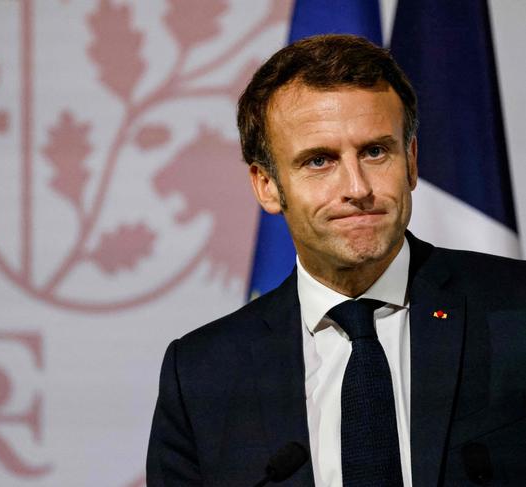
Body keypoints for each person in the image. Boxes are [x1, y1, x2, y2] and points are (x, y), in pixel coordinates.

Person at [146, 34, 526, 486]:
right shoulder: (202, 375)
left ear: (411, 160)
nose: (357, 187)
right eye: (320, 161)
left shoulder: (515, 310)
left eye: (375, 151)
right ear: (267, 185)